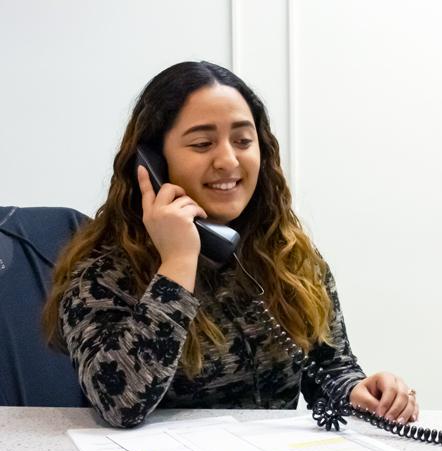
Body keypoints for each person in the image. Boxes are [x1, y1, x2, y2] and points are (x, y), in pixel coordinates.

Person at [42, 61, 419, 428]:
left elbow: (329, 370)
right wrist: (176, 263)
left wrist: (358, 391)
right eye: (203, 143)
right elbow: (119, 406)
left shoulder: (288, 255)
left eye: (243, 140)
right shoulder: (101, 274)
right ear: (153, 163)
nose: (228, 159)